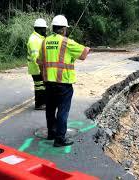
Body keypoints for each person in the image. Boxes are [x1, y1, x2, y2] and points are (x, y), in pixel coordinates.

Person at [37, 15, 90, 147]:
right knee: (62, 111)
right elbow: (83, 55)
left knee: (50, 109)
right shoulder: (66, 42)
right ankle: (60, 139)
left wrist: (44, 76)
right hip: (63, 84)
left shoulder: (44, 42)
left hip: (48, 82)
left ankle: (51, 133)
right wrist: (87, 49)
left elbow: (39, 62)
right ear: (64, 29)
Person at [27, 18, 48, 110]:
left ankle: (42, 103)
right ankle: (39, 104)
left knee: (41, 85)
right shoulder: (34, 40)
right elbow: (36, 57)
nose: (45, 30)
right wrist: (41, 67)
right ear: (40, 29)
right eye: (44, 29)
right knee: (40, 86)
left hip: (38, 67)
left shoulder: (39, 37)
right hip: (36, 68)